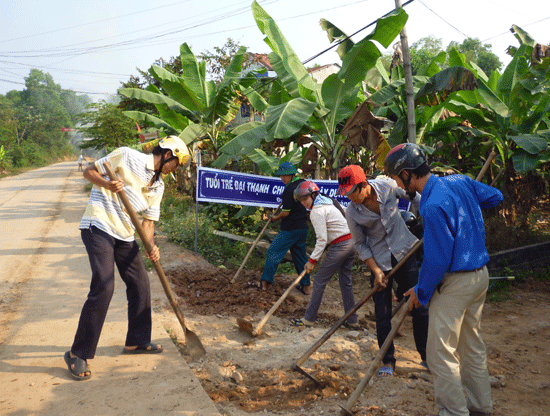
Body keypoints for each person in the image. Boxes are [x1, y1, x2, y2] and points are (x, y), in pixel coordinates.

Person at [385, 143, 503, 416]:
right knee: (471, 346)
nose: (397, 184)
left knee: (440, 353)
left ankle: (453, 412)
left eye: (395, 177)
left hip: (456, 284)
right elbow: (495, 197)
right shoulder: (459, 181)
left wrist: (421, 291)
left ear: (406, 173)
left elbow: (437, 261)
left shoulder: (434, 205)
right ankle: (481, 407)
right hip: (479, 278)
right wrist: (469, 203)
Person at [65, 136, 190, 381]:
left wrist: (151, 246)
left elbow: (148, 223)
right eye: (177, 162)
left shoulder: (159, 186)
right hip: (98, 224)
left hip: (125, 234)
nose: (176, 167)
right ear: (167, 154)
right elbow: (89, 172)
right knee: (104, 285)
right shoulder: (126, 155)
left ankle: (137, 341)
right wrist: (108, 185)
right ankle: (77, 353)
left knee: (140, 283)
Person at [337, 164, 429, 377]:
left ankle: (426, 356)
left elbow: (412, 196)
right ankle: (388, 361)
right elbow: (360, 245)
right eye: (346, 194)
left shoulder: (387, 187)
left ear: (364, 185)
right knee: (382, 314)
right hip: (379, 262)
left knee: (418, 306)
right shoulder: (352, 212)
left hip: (405, 253)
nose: (351, 198)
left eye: (352, 192)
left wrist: (429, 211)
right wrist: (376, 271)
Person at [290, 180, 358, 328]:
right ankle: (352, 321)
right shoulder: (329, 203)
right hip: (351, 243)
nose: (304, 203)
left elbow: (322, 239)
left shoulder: (317, 211)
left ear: (314, 195)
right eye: (301, 201)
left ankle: (308, 319)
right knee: (345, 282)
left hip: (341, 245)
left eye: (305, 199)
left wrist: (311, 261)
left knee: (320, 281)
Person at [246, 161, 311, 294]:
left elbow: (285, 213)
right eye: (281, 176)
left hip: (290, 230)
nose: (282, 178)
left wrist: (275, 218)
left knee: (273, 252)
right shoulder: (303, 183)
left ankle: (264, 282)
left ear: (292, 174)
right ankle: (306, 286)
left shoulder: (289, 190)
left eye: (285, 176)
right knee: (300, 257)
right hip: (302, 228)